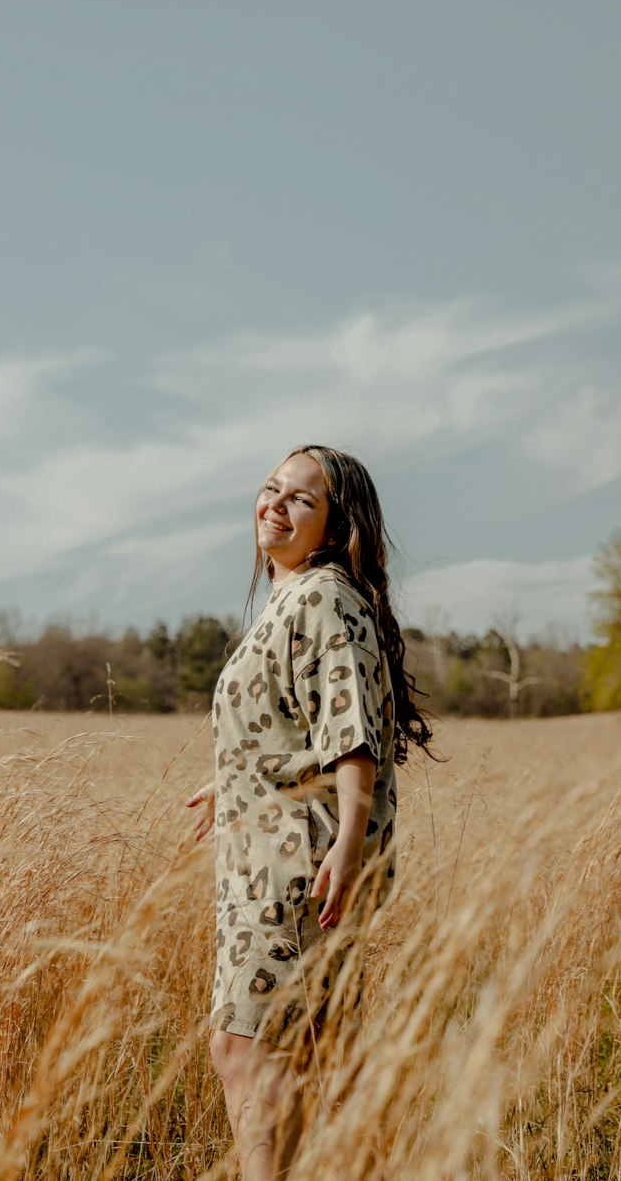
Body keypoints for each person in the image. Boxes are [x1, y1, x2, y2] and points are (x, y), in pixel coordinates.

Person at [186, 444, 433, 1180]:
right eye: (270, 489)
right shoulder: (294, 598)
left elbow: (351, 734)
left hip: (299, 859)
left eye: (300, 498)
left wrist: (346, 849)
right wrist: (231, 780)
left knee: (248, 1047)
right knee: (279, 1051)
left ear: (333, 527)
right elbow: (296, 723)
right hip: (267, 850)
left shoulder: (324, 597)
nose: (275, 504)